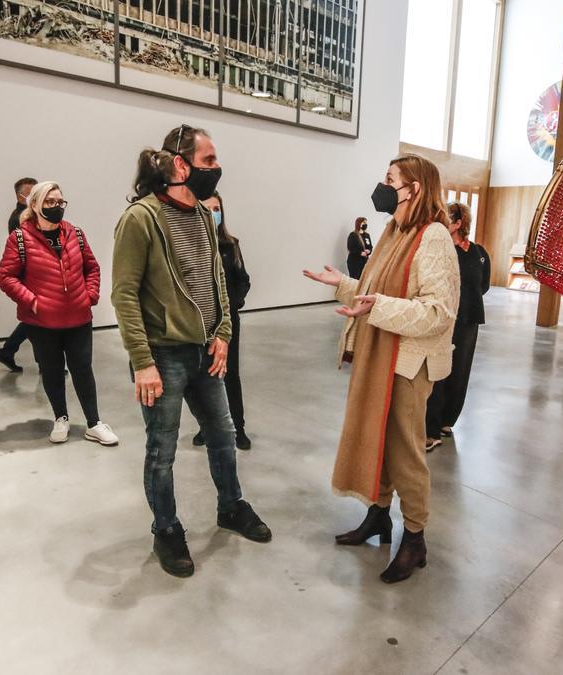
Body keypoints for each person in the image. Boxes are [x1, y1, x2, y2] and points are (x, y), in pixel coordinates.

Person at [111, 124, 271, 579]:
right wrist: (142, 362)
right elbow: (123, 295)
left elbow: (217, 282)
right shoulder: (141, 219)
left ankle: (231, 506)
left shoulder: (203, 215)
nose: (216, 169)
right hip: (162, 354)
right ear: (180, 164)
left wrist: (222, 332)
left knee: (222, 434)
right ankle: (166, 530)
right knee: (162, 450)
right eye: (208, 160)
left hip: (206, 351)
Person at [303, 153, 459, 584]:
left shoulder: (433, 238)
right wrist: (342, 284)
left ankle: (415, 537)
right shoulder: (394, 231)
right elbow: (377, 292)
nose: (383, 186)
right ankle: (378, 516)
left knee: (405, 451)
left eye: (390, 180)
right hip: (380, 353)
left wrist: (379, 305)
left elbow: (439, 311)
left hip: (409, 363)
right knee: (378, 438)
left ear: (415, 189)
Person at [0, 181, 119, 447]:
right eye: (50, 202)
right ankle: (60, 418)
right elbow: (6, 277)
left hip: (79, 318)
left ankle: (94, 422)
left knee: (83, 369)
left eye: (60, 202)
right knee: (51, 371)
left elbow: (92, 268)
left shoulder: (75, 233)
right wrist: (33, 301)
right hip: (41, 322)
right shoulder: (19, 238)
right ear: (36, 205)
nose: (56, 207)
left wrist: (90, 295)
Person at [426, 202, 491, 451]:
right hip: (445, 318)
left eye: (446, 220)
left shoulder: (479, 253)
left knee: (460, 371)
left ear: (458, 223)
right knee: (438, 372)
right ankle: (430, 431)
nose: (442, 223)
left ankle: (445, 421)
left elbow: (482, 285)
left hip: (469, 319)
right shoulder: (442, 252)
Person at [191, 192, 252, 450]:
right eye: (208, 209)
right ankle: (207, 426)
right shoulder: (191, 245)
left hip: (227, 322)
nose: (213, 213)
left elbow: (243, 279)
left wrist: (233, 304)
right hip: (200, 323)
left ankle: (238, 427)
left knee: (230, 374)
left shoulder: (231, 245)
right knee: (204, 376)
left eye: (217, 208)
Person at [0, 177, 39, 372]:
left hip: (29, 273)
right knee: (36, 320)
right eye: (29, 193)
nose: (33, 196)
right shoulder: (19, 217)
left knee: (34, 320)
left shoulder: (28, 214)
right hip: (28, 275)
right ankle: (43, 363)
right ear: (19, 196)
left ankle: (8, 351)